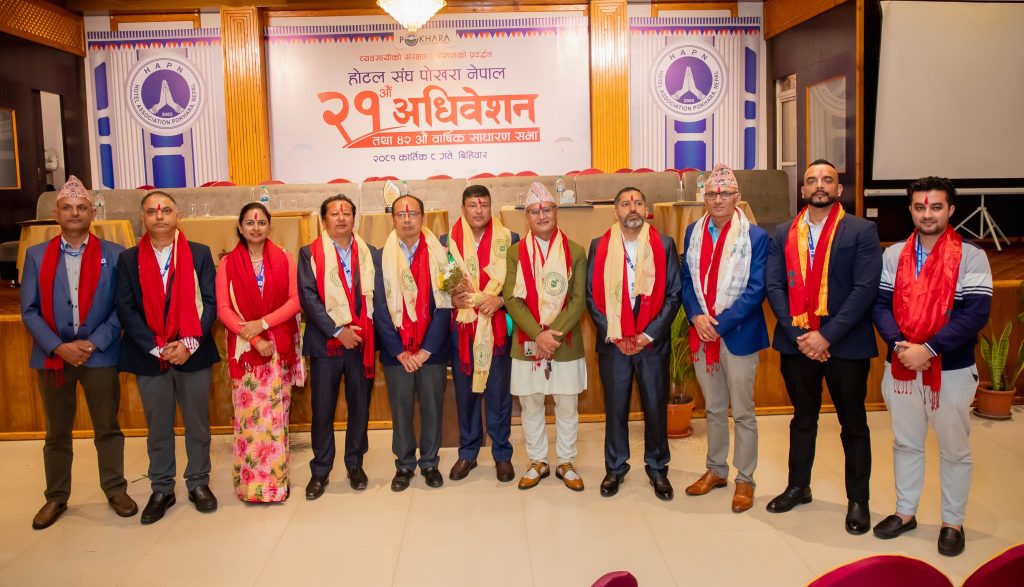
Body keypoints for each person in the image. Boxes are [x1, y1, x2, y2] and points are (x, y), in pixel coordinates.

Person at [871, 177, 991, 557]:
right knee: (906, 443)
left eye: (936, 207)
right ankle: (905, 513)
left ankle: (952, 523)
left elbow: (976, 313)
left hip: (951, 370)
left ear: (950, 210)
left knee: (954, 449)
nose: (928, 214)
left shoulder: (971, 256)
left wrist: (930, 349)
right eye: (920, 207)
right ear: (910, 210)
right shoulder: (894, 254)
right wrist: (900, 346)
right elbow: (880, 305)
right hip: (902, 366)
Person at [764, 160, 882, 535]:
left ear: (838, 189)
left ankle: (858, 500)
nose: (819, 185)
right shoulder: (783, 232)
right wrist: (799, 333)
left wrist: (826, 336)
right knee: (802, 419)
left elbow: (865, 289)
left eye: (827, 180)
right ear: (802, 190)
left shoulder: (861, 230)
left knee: (853, 424)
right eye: (812, 180)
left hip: (846, 344)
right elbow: (774, 285)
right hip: (797, 343)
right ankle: (798, 487)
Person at [20, 175, 136, 529]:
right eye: (68, 208)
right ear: (57, 213)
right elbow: (29, 311)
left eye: (81, 207)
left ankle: (115, 489)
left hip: (99, 354)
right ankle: (56, 497)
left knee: (107, 427)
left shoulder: (115, 255)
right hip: (53, 357)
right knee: (56, 431)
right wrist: (58, 346)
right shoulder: (36, 256)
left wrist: (94, 342)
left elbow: (122, 307)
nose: (75, 213)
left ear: (92, 213)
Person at [116, 190, 219, 524]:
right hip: (150, 356)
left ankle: (198, 482)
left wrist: (188, 343)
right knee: (158, 426)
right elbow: (126, 309)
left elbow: (210, 303)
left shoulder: (199, 253)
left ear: (178, 216)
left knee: (197, 424)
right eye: (151, 211)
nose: (159, 216)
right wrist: (157, 346)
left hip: (193, 353)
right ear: (142, 218)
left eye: (165, 210)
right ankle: (162, 488)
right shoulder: (128, 259)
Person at [679, 164, 770, 512]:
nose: (719, 199)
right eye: (712, 194)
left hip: (738, 336)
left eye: (726, 194)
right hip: (703, 333)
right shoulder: (693, 232)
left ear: (737, 198)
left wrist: (720, 324)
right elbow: (686, 280)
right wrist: (696, 315)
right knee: (714, 408)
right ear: (704, 198)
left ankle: (745, 479)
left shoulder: (756, 237)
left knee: (743, 412)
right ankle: (716, 470)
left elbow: (756, 289)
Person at [586, 186, 681, 500]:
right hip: (614, 344)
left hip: (651, 344)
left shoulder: (663, 244)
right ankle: (615, 467)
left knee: (655, 407)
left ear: (646, 209)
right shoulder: (599, 245)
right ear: (615, 211)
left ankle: (657, 467)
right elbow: (591, 296)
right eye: (626, 204)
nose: (633, 208)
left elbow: (673, 294)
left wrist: (648, 334)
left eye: (638, 203)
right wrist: (615, 334)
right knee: (615, 408)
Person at [217, 203, 304, 502]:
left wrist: (264, 323)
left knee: (277, 419)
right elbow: (223, 309)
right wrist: (253, 337)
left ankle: (276, 485)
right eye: (250, 222)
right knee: (249, 421)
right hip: (246, 353)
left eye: (262, 222)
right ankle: (250, 485)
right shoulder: (227, 263)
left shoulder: (285, 258)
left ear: (269, 226)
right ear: (240, 227)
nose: (256, 227)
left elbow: (295, 300)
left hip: (278, 349)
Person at [504, 182, 588, 492]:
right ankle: (538, 460)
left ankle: (566, 461)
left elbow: (578, 301)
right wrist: (538, 335)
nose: (541, 216)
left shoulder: (575, 251)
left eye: (547, 209)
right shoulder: (515, 253)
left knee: (567, 405)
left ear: (556, 212)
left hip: (564, 342)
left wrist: (551, 336)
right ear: (526, 216)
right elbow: (512, 299)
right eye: (534, 211)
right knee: (531, 406)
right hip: (528, 342)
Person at [298, 195, 377, 499]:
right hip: (325, 344)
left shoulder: (368, 253)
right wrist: (337, 330)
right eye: (334, 213)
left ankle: (355, 464)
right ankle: (320, 470)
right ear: (324, 220)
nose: (341, 218)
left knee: (359, 408)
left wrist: (354, 332)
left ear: (354, 218)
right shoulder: (309, 253)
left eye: (346, 213)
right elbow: (308, 298)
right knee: (323, 411)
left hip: (360, 343)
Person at [373, 194, 453, 492]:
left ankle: (430, 462)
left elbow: (446, 305)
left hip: (432, 350)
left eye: (413, 214)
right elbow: (379, 308)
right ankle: (404, 464)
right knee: (401, 408)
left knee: (432, 407)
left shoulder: (441, 255)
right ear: (392, 219)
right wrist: (399, 351)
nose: (407, 220)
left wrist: (426, 350)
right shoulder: (380, 257)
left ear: (423, 217)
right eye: (400, 215)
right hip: (397, 351)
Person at [443, 185, 519, 482]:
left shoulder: (510, 239)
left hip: (496, 327)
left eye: (484, 205)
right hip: (462, 330)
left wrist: (500, 300)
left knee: (498, 394)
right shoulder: (446, 241)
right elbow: (440, 283)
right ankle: (468, 453)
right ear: (462, 208)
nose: (478, 210)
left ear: (491, 207)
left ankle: (502, 454)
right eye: (473, 205)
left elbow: (519, 284)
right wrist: (452, 299)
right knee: (466, 395)